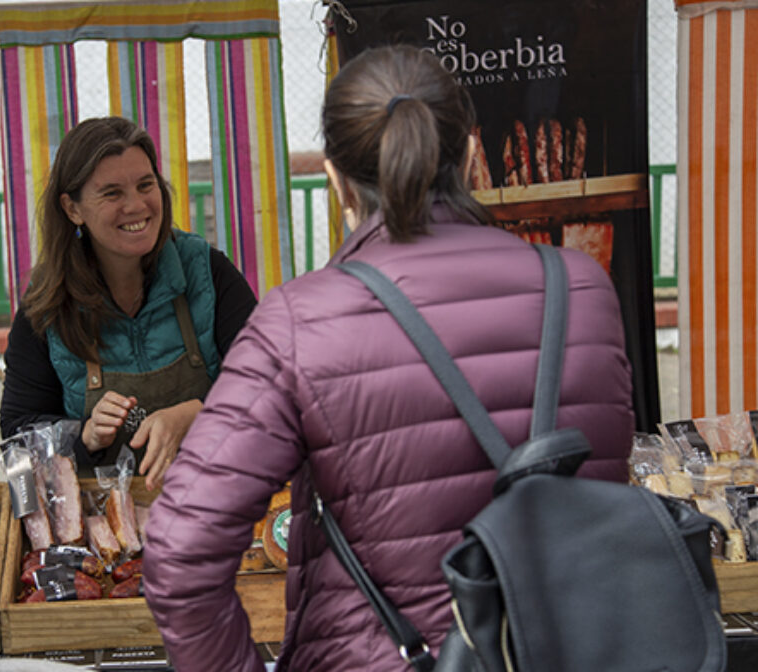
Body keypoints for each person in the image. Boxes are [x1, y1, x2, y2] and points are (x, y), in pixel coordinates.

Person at [143, 45, 635, 671]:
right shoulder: (583, 287)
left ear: (334, 176)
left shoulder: (300, 321)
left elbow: (181, 551)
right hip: (569, 653)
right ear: (466, 153)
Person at [0, 116, 257, 488]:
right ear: (73, 209)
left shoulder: (206, 271)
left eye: (145, 185)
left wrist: (197, 413)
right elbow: (16, 436)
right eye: (112, 193)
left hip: (219, 500)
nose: (136, 205)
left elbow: (272, 386)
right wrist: (82, 436)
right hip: (103, 524)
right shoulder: (48, 302)